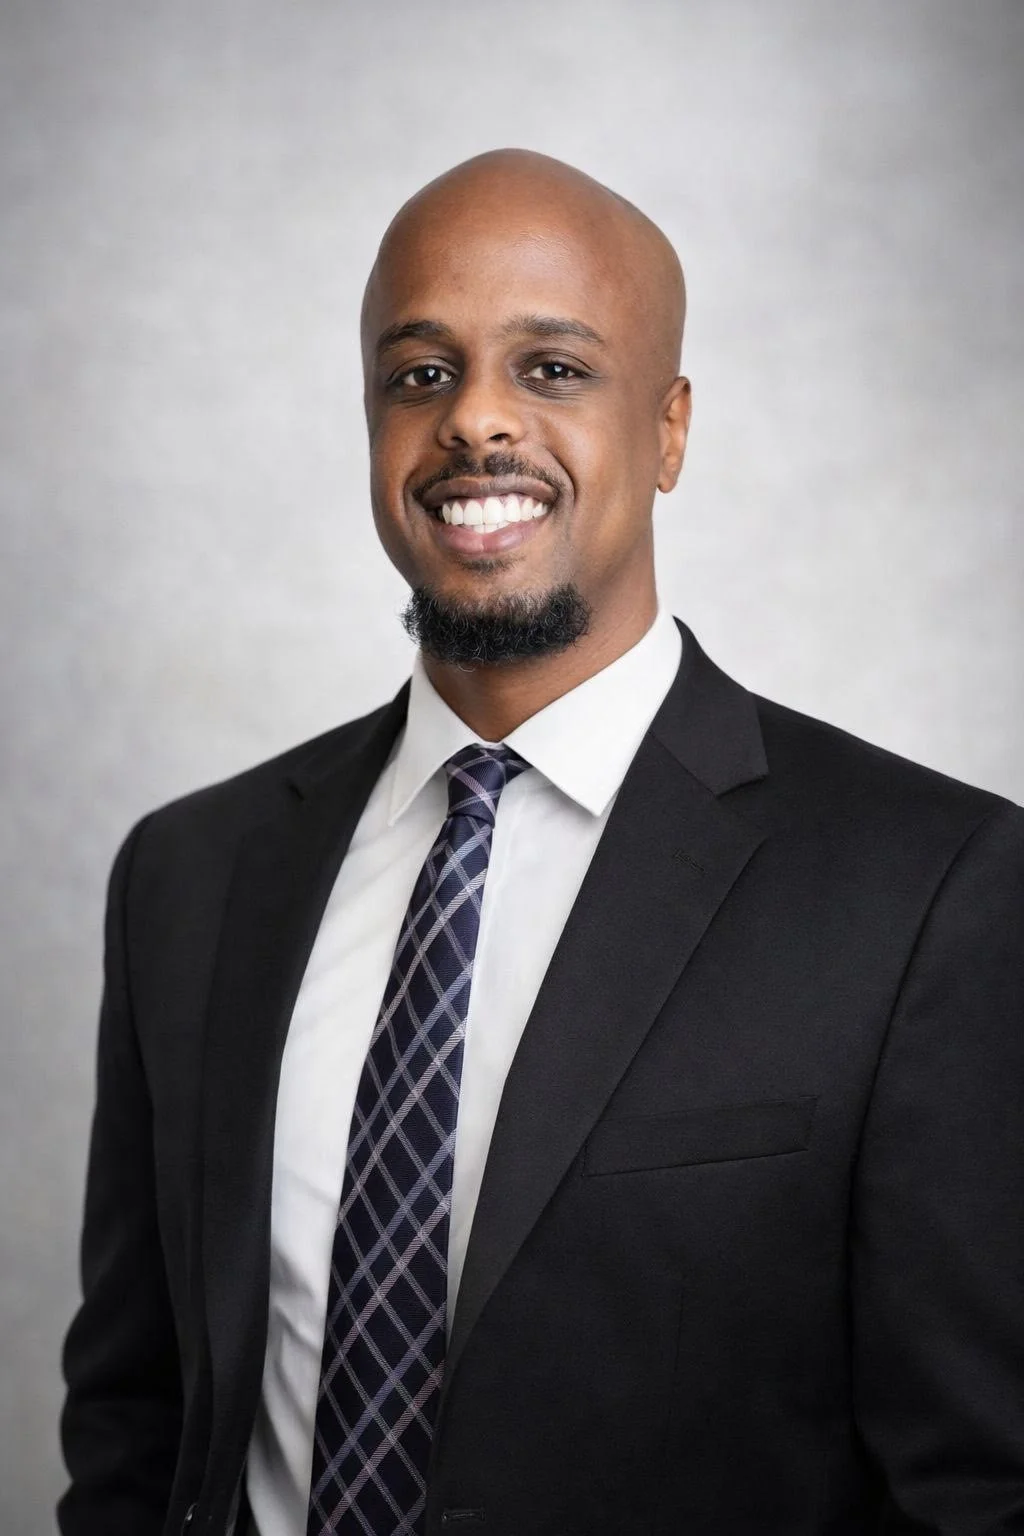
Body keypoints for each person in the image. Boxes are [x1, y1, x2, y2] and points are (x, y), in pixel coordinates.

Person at [59, 149, 1024, 1536]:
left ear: (672, 427)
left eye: (553, 369)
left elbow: (983, 1489)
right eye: (419, 374)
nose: (476, 426)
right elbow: (135, 1425)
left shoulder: (933, 889)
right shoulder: (190, 878)